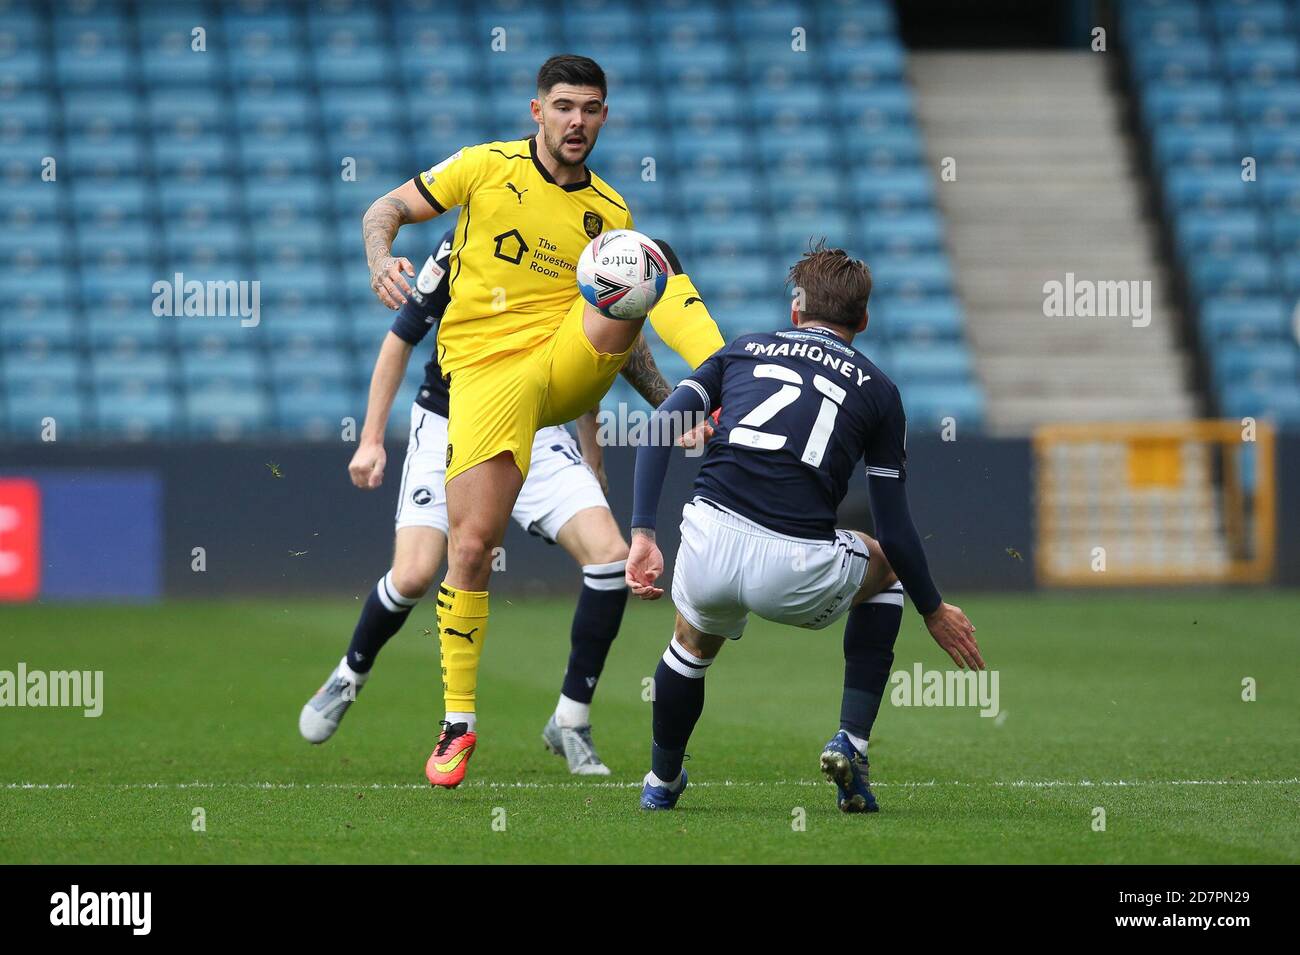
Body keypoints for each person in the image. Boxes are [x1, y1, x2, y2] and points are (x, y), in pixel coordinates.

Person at [359, 54, 722, 786]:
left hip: (561, 366)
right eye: (563, 106)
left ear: (604, 117)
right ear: (537, 111)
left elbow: (628, 342)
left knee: (639, 258)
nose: (576, 121)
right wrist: (379, 256)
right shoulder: (484, 167)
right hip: (485, 377)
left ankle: (725, 379)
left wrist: (676, 404)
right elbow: (384, 208)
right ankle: (458, 722)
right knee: (470, 547)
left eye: (590, 108)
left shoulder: (609, 212)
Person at [299, 226, 675, 774]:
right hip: (450, 420)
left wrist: (591, 451)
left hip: (538, 425)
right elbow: (400, 337)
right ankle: (350, 674)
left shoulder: (579, 244)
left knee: (611, 557)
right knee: (414, 575)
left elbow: (589, 356)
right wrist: (372, 439)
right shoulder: (464, 241)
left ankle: (570, 719)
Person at [625, 241, 984, 812]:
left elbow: (659, 430)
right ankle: (853, 743)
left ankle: (661, 783)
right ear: (863, 321)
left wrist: (643, 531)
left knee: (690, 645)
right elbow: (893, 525)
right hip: (794, 567)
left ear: (796, 310)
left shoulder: (744, 350)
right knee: (884, 568)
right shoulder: (881, 392)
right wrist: (934, 609)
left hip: (709, 539)